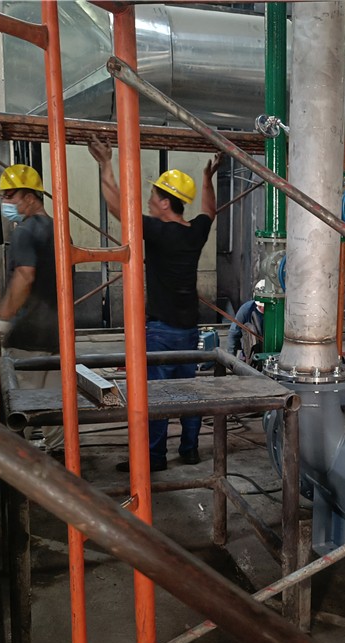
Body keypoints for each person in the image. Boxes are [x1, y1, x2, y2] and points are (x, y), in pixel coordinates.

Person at [88, 135, 221, 472]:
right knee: (188, 391)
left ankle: (154, 457)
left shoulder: (159, 232)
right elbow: (210, 210)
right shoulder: (195, 231)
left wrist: (105, 164)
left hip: (161, 331)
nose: (148, 202)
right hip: (189, 330)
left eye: (152, 197)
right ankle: (190, 449)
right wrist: (208, 178)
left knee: (157, 395)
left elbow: (116, 207)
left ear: (165, 202)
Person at [0, 164, 64, 457]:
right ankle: (59, 457)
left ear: (31, 197)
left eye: (10, 195)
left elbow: (24, 277)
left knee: (22, 404)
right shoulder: (61, 231)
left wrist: (2, 319)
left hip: (27, 335)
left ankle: (20, 462)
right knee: (55, 402)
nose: (6, 201)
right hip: (57, 334)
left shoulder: (24, 233)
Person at [226, 292, 265, 362]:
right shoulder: (247, 309)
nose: (262, 308)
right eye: (260, 306)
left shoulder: (280, 310)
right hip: (250, 355)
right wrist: (231, 359)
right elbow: (233, 334)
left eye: (265, 306)